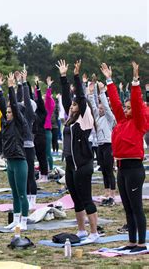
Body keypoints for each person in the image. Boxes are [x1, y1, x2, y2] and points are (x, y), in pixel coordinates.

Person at [101, 62, 147, 252]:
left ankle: (142, 243)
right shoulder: (121, 120)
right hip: (122, 168)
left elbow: (136, 103)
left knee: (137, 207)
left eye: (129, 108)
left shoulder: (138, 122)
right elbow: (116, 103)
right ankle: (131, 241)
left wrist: (135, 82)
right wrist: (109, 81)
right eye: (126, 108)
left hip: (134, 169)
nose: (126, 110)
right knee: (127, 207)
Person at [58, 59, 99, 244]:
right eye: (71, 106)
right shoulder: (70, 120)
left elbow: (80, 99)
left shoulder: (84, 118)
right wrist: (63, 77)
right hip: (70, 165)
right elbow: (67, 98)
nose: (71, 106)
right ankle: (81, 230)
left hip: (83, 164)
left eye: (74, 105)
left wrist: (75, 77)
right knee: (75, 198)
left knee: (86, 198)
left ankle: (94, 232)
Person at [0, 73, 30, 230]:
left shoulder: (19, 122)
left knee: (22, 193)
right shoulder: (7, 123)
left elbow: (14, 107)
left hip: (19, 161)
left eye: (10, 112)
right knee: (14, 193)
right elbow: (3, 106)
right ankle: (16, 220)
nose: (8, 114)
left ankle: (24, 222)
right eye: (7, 112)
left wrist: (10, 87)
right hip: (9, 161)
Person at [87, 80, 116, 206]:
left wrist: (102, 92)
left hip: (108, 144)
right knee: (103, 170)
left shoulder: (109, 118)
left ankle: (113, 193)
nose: (100, 110)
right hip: (100, 145)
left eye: (102, 108)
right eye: (99, 109)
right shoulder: (97, 117)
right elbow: (92, 106)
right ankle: (106, 191)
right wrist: (91, 93)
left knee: (109, 170)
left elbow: (105, 105)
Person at [16, 70, 37, 209]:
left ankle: (33, 198)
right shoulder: (19, 116)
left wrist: (24, 83)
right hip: (20, 146)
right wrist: (17, 83)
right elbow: (16, 102)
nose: (23, 104)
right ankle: (25, 197)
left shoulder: (29, 115)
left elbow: (26, 101)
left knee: (30, 174)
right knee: (23, 175)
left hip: (29, 147)